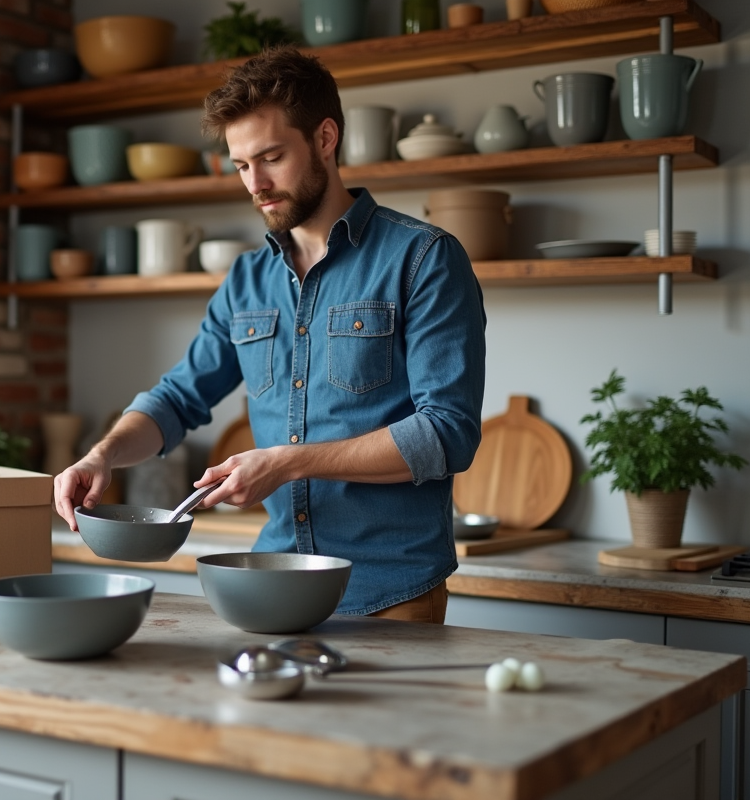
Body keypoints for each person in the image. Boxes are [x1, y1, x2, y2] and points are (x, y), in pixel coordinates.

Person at [54, 47, 486, 624]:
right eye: (240, 166)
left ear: (325, 138)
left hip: (391, 593)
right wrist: (102, 454)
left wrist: (288, 462)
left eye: (272, 157)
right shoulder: (246, 280)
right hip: (272, 588)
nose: (255, 184)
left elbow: (447, 434)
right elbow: (178, 399)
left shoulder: (423, 257)